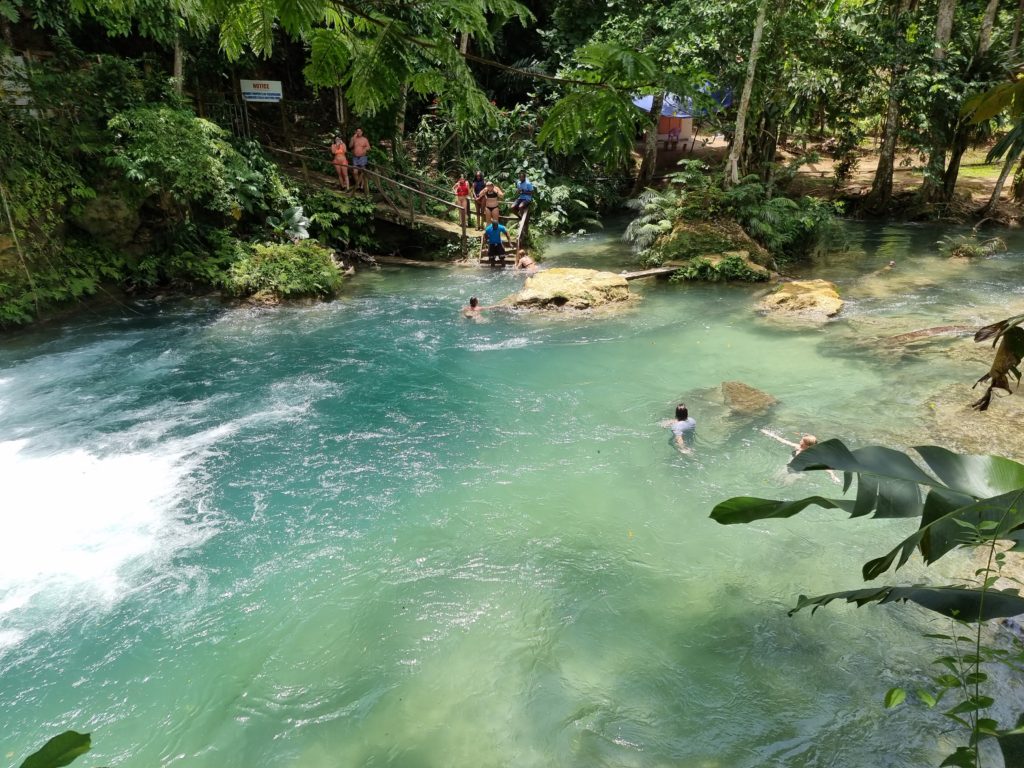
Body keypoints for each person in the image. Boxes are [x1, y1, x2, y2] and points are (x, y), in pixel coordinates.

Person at [760, 429, 840, 483]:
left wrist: (833, 475)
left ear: (807, 446)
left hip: (797, 472)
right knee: (774, 478)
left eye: (802, 440)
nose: (800, 441)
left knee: (785, 484)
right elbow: (783, 441)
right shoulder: (797, 447)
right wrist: (770, 434)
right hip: (789, 467)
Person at [350, 128, 371, 192]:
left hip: (362, 157)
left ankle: (362, 186)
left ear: (362, 132)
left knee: (362, 172)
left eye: (360, 131)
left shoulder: (365, 139)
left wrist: (365, 149)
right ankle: (358, 185)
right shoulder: (353, 138)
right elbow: (350, 146)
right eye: (357, 131)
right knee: (355, 172)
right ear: (356, 132)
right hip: (355, 157)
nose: (358, 132)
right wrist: (353, 138)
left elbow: (369, 147)